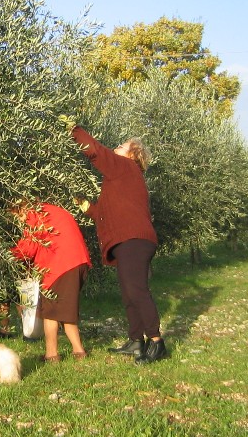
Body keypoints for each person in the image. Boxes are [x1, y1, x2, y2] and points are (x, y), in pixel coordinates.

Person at [66, 121, 168, 364]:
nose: (116, 147)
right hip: (128, 241)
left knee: (137, 291)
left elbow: (96, 152)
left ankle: (156, 342)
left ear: (133, 155)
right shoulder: (122, 179)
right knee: (129, 292)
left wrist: (74, 130)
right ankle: (136, 341)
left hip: (134, 240)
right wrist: (85, 205)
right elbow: (104, 214)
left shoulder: (125, 167)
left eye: (122, 146)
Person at [9, 200, 92, 362]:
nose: (19, 220)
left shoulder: (34, 215)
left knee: (50, 313)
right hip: (79, 262)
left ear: (21, 208)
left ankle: (52, 355)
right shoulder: (53, 210)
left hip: (59, 265)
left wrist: (8, 255)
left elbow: (28, 248)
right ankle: (78, 351)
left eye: (17, 216)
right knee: (65, 310)